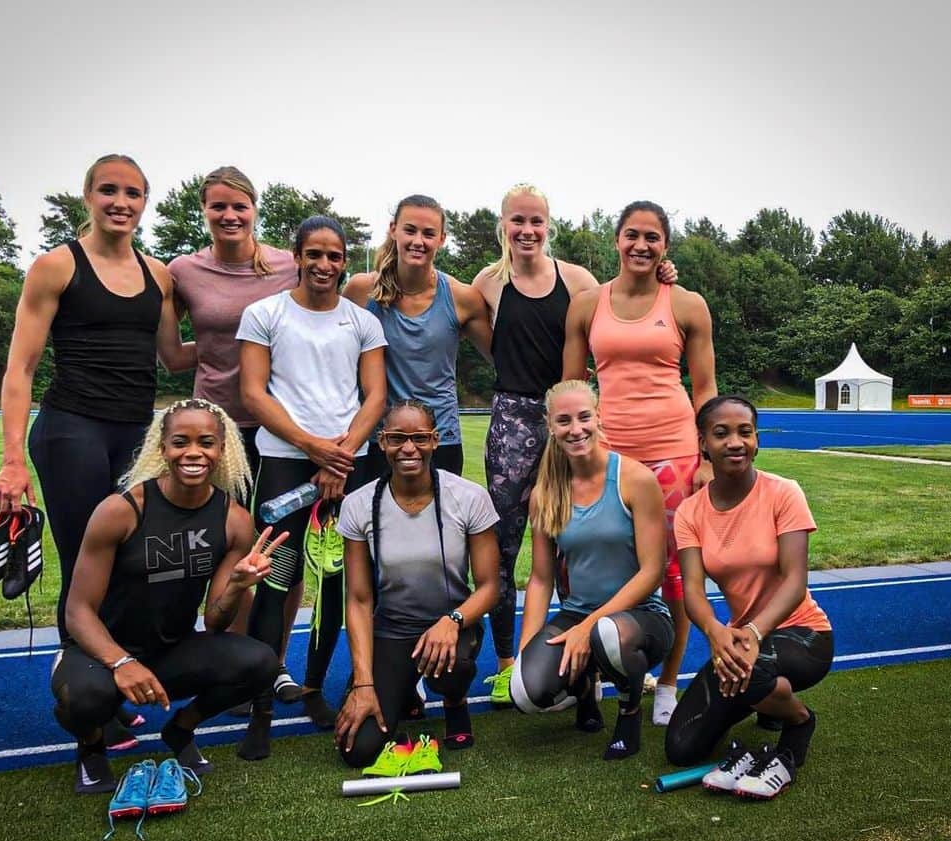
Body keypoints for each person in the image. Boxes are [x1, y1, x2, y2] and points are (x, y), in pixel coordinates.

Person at [0, 154, 193, 748]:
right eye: (109, 190)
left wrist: (251, 332)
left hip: (136, 435)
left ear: (144, 203)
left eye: (133, 193)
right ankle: (88, 709)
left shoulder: (158, 274)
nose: (121, 202)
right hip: (72, 429)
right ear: (87, 196)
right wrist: (11, 460)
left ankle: (111, 679)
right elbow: (19, 368)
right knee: (86, 563)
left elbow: (176, 358)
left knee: (131, 565)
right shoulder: (57, 266)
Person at [472, 185, 675, 704]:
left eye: (536, 221)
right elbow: (481, 337)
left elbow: (627, 297)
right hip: (514, 423)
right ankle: (509, 661)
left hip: (569, 417)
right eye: (517, 220)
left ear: (549, 224)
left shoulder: (578, 280)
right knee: (505, 549)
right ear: (502, 224)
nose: (527, 230)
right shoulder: (488, 283)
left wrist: (664, 273)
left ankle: (603, 647)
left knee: (578, 531)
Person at [51, 399, 281, 794]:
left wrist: (238, 588)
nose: (194, 452)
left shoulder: (234, 519)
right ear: (162, 448)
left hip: (169, 649)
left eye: (206, 442)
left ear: (222, 450)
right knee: (84, 698)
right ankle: (91, 747)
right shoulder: (120, 511)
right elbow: (77, 611)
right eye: (181, 442)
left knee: (260, 663)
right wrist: (121, 662)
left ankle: (181, 729)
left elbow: (214, 622)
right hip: (100, 653)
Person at [237, 215, 388, 759]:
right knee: (276, 582)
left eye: (335, 255)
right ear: (297, 256)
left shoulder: (362, 321)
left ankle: (315, 689)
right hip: (284, 463)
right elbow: (254, 394)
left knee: (333, 584)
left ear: (345, 261)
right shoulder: (265, 314)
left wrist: (340, 455)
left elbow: (374, 396)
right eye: (314, 254)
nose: (325, 264)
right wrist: (313, 447)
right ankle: (260, 704)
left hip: (349, 468)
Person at [563, 200, 716, 726]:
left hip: (673, 451)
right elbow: (571, 389)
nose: (641, 245)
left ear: (665, 246)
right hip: (606, 455)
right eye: (632, 235)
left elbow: (706, 389)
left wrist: (708, 458)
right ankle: (591, 667)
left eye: (652, 237)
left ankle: (669, 682)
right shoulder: (587, 305)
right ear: (617, 240)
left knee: (672, 573)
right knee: (591, 560)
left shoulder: (688, 305)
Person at [167, 166, 304, 704]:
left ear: (255, 210)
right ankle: (226, 663)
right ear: (203, 210)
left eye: (239, 206)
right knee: (219, 548)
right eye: (217, 206)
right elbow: (172, 354)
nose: (229, 215)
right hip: (214, 431)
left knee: (279, 550)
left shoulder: (289, 265)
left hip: (277, 429)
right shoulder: (182, 271)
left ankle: (275, 663)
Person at [665, 396, 831, 798]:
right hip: (740, 641)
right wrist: (715, 632)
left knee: (751, 672)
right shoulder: (690, 512)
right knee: (681, 747)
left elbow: (794, 581)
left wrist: (754, 633)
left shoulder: (783, 493)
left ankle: (797, 720)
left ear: (756, 441)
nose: (735, 442)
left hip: (802, 634)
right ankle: (764, 701)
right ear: (703, 443)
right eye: (721, 433)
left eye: (745, 432)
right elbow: (692, 591)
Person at [511, 381, 672, 761]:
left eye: (584, 417)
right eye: (563, 421)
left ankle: (628, 714)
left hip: (642, 619)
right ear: (550, 426)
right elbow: (540, 579)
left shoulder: (635, 479)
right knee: (526, 691)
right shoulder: (544, 493)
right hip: (577, 615)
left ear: (599, 417)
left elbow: (653, 571)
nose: (576, 429)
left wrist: (587, 628)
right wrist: (525, 646)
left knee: (607, 635)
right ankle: (584, 691)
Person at [334, 400, 500, 769]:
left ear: (435, 441)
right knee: (357, 750)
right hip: (392, 630)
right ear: (382, 442)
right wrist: (363, 683)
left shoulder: (469, 497)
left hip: (453, 628)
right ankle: (403, 688)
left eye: (419, 438)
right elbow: (359, 600)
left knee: (453, 667)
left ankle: (454, 702)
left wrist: (452, 621)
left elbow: (490, 586)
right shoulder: (359, 505)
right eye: (397, 439)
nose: (408, 448)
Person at [343, 195, 491, 477]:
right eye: (410, 230)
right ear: (393, 229)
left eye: (428, 233)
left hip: (439, 438)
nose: (418, 241)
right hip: (380, 437)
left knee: (438, 521)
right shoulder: (361, 291)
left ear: (442, 239)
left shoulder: (462, 297)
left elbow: (504, 360)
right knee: (376, 520)